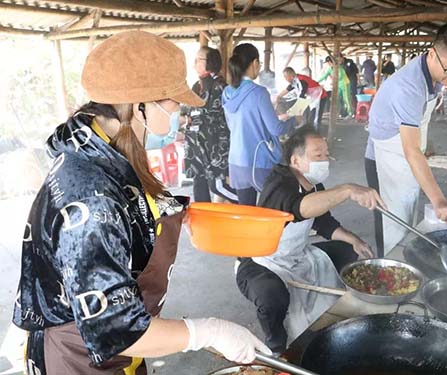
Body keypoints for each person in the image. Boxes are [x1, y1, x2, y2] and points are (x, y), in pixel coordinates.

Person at [12, 31, 270, 375]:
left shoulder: (105, 152)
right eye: (174, 100)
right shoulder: (90, 197)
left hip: (123, 349)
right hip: (81, 356)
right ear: (140, 105)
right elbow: (117, 329)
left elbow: (133, 210)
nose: (180, 110)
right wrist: (208, 332)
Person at [236, 126, 384, 353]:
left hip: (297, 255)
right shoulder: (278, 183)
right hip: (261, 261)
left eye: (326, 154)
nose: (325, 160)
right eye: (318, 155)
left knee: (349, 252)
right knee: (271, 295)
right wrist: (346, 190)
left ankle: (341, 311)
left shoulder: (313, 185)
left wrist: (354, 239)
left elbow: (322, 221)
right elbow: (299, 208)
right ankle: (275, 345)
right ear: (296, 160)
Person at [366, 22, 447, 254]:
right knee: (393, 227)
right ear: (432, 54)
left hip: (405, 153)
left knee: (408, 216)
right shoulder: (409, 87)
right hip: (386, 159)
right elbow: (410, 151)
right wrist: (438, 200)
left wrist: (427, 142)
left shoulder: (434, 75)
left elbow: (416, 122)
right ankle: (386, 273)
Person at [222, 43, 295, 205]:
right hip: (258, 161)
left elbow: (233, 125)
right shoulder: (259, 92)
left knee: (247, 212)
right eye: (259, 64)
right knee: (275, 205)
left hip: (236, 162)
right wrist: (293, 121)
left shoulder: (226, 92)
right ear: (255, 63)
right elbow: (275, 128)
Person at [184, 46, 237, 203]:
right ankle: (203, 224)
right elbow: (189, 110)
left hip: (215, 146)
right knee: (198, 184)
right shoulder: (196, 86)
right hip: (196, 145)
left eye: (198, 60)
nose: (194, 63)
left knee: (218, 186)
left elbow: (221, 117)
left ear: (210, 63)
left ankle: (251, 207)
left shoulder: (221, 87)